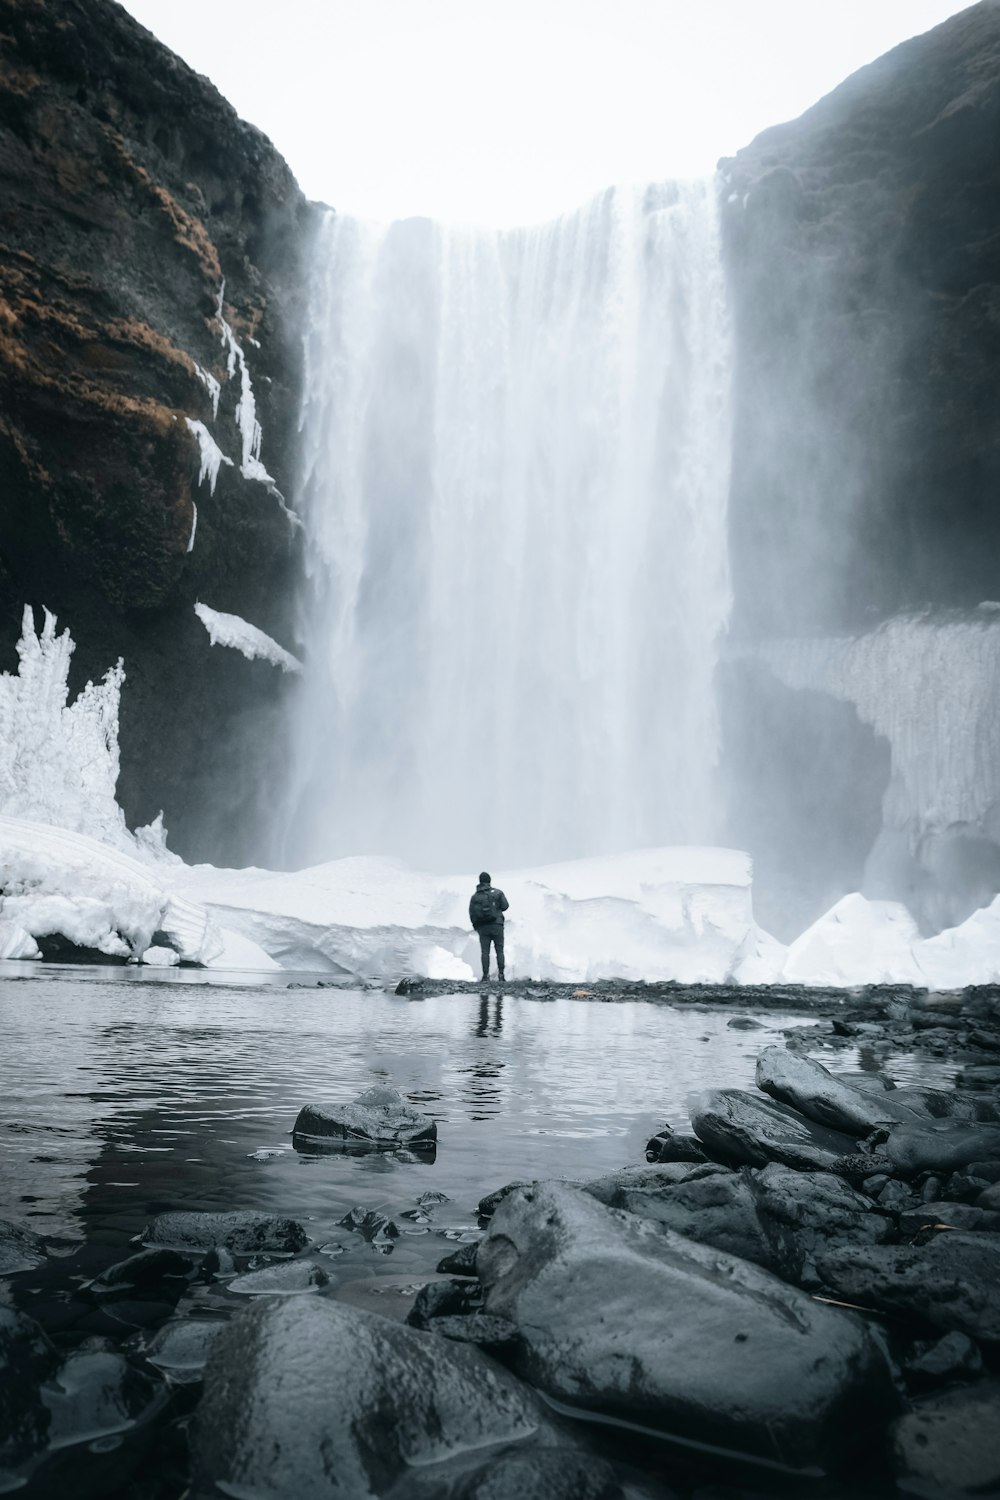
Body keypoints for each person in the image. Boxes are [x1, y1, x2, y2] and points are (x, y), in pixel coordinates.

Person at [469, 870, 509, 981]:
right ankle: (501, 976)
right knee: (499, 950)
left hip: (483, 927)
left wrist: (476, 926)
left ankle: (485, 976)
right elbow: (505, 906)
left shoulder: (475, 897)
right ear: (489, 881)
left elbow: (471, 913)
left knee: (485, 952)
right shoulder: (498, 893)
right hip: (497, 925)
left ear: (480, 881)